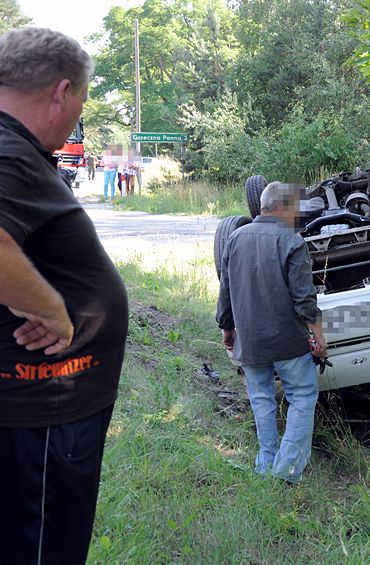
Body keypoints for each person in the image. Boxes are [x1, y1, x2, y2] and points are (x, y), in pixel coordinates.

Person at [0, 27, 129, 563]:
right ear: (61, 92)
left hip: (42, 409)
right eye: (81, 99)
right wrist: (53, 308)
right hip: (43, 412)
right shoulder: (8, 150)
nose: (79, 113)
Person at [216, 181, 327, 485]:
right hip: (288, 341)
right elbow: (304, 299)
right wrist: (319, 335)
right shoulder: (291, 241)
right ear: (283, 208)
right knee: (302, 396)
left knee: (261, 400)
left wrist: (226, 327)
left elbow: (226, 290)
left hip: (249, 341)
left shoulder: (235, 238)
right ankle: (287, 471)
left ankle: (266, 464)